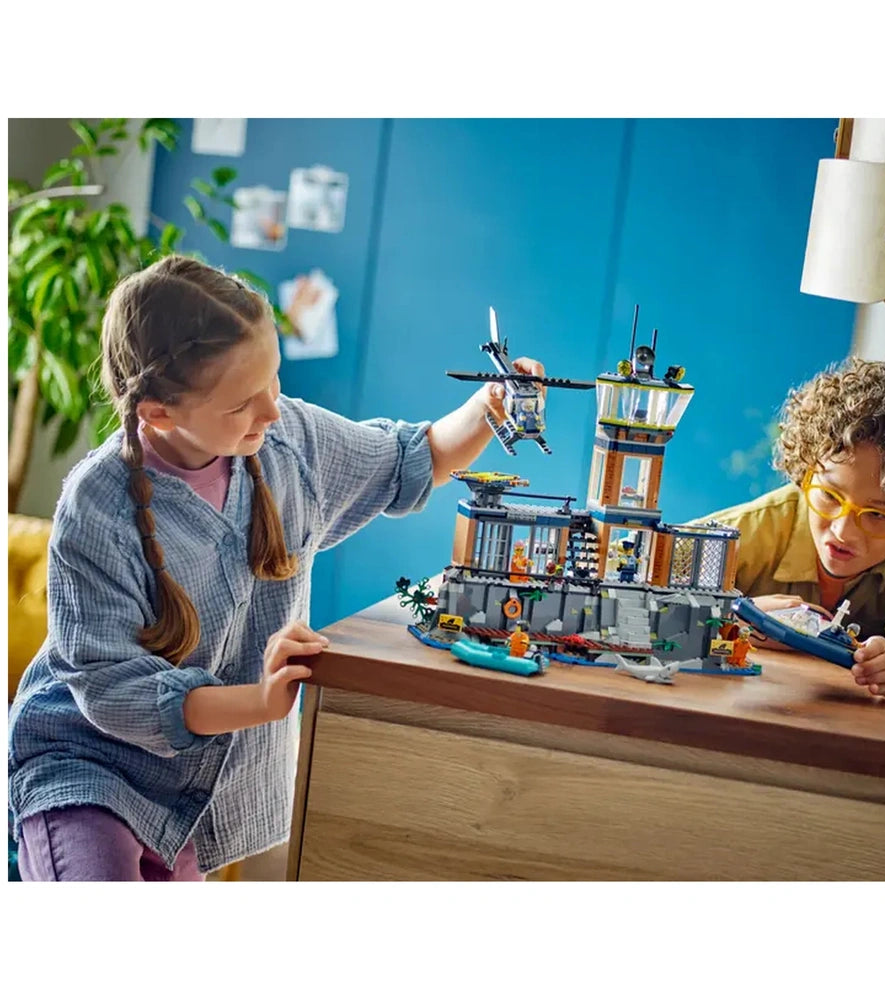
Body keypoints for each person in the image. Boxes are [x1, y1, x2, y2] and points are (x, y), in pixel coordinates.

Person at [7, 254, 546, 881]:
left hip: (185, 799)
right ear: (159, 412)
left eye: (275, 382)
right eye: (242, 402)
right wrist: (259, 701)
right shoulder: (97, 507)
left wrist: (491, 404)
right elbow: (109, 692)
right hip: (87, 772)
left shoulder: (288, 440)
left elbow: (409, 459)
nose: (270, 411)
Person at [697, 358, 885, 698]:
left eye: (878, 515)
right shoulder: (754, 527)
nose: (843, 531)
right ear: (806, 471)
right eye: (829, 495)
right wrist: (739, 615)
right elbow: (649, 583)